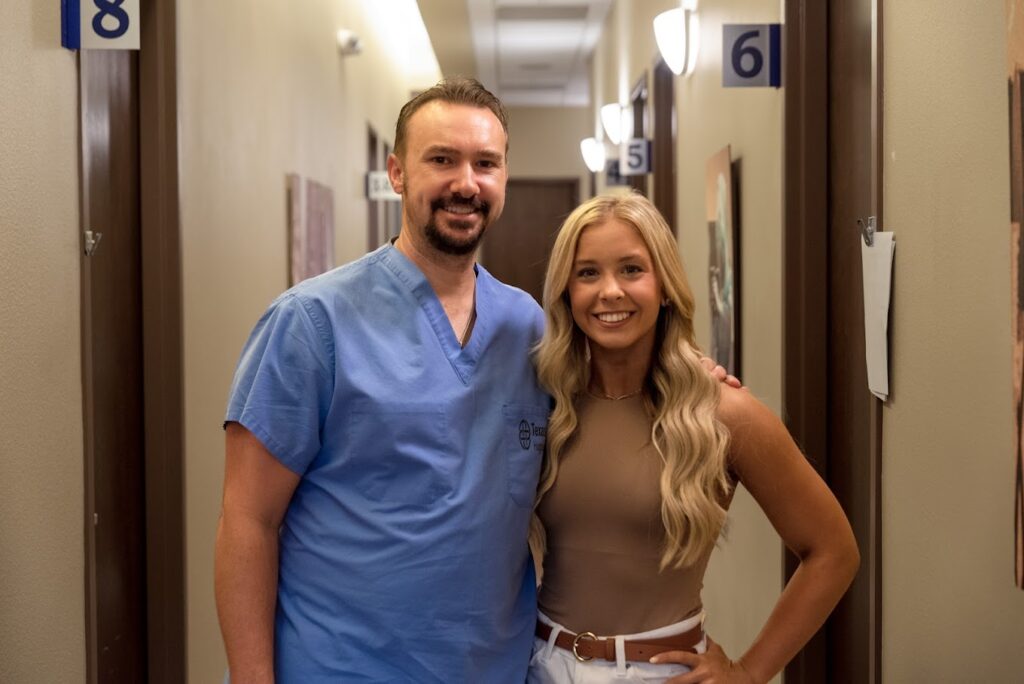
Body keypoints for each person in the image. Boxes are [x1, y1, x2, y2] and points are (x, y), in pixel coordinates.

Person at [215, 78, 737, 682]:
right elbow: (248, 520)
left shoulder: (531, 330)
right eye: (442, 159)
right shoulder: (311, 324)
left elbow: (623, 382)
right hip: (340, 666)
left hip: (497, 668)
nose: (466, 183)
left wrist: (694, 370)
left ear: (503, 178)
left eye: (485, 163)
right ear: (397, 172)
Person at [527, 194, 859, 683]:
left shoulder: (723, 413)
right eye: (588, 273)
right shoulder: (546, 405)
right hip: (539, 663)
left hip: (656, 672)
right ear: (565, 293)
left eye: (632, 269)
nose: (610, 291)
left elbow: (833, 551)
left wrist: (748, 672)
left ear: (664, 287)